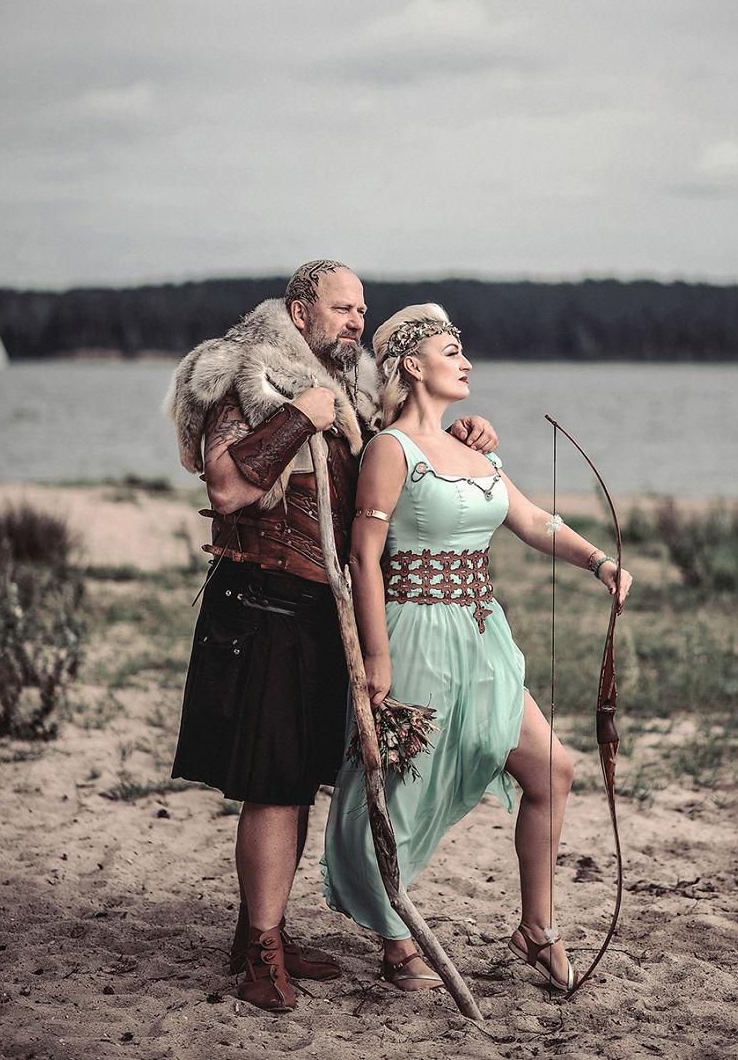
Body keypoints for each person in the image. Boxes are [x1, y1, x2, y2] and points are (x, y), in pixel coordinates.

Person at [164, 262, 498, 1012]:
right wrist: (296, 417)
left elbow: (393, 461)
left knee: (298, 779)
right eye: (344, 308)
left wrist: (459, 436)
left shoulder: (347, 392)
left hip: (323, 611)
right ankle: (261, 954)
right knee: (273, 785)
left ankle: (260, 930)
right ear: (299, 311)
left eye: (362, 310)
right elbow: (227, 487)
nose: (358, 321)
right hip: (262, 604)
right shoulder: (244, 377)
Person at [321, 303, 633, 993]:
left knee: (551, 769)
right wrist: (376, 659)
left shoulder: (478, 451)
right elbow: (364, 558)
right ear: (412, 366)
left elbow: (533, 521)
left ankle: (537, 929)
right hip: (413, 635)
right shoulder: (389, 450)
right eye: (451, 350)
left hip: (483, 635)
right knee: (398, 791)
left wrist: (599, 562)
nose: (466, 362)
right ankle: (396, 941)